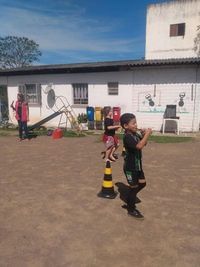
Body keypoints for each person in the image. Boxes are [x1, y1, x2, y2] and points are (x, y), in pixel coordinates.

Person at [120, 113, 152, 219]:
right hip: (130, 167)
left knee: (142, 184)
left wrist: (143, 135)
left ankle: (129, 198)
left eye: (136, 122)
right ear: (125, 126)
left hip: (137, 166)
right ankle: (131, 209)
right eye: (133, 123)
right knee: (134, 188)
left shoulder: (135, 134)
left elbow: (144, 143)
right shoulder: (127, 137)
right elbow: (139, 146)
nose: (136, 125)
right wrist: (147, 134)